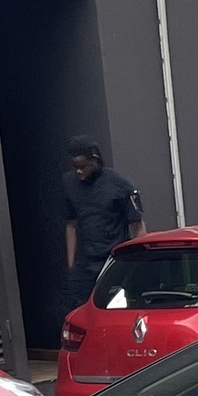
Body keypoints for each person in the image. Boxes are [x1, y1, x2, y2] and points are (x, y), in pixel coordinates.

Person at [62, 137, 142, 321]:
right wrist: (71, 264)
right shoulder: (69, 183)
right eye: (75, 166)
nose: (79, 171)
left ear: (96, 160)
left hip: (113, 260)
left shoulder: (119, 185)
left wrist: (133, 266)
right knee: (79, 313)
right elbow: (70, 224)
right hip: (84, 263)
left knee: (114, 313)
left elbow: (138, 226)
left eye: (84, 166)